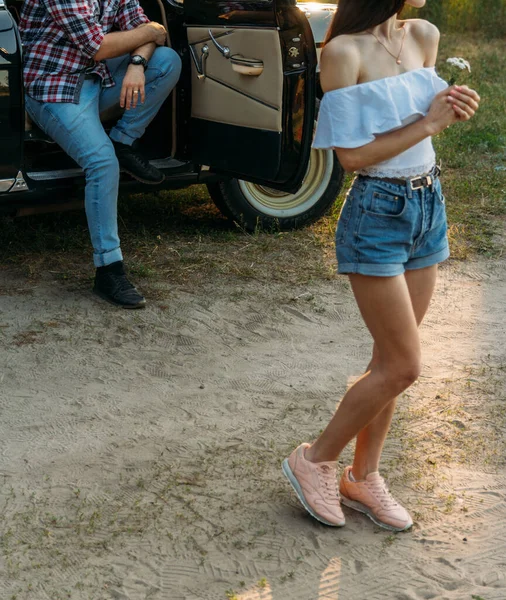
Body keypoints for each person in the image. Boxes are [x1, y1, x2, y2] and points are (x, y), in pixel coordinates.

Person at [282, 0, 480, 531]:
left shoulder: (424, 34)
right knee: (404, 365)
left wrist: (447, 109)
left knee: (388, 362)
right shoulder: (343, 52)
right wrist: (431, 122)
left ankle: (363, 477)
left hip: (427, 205)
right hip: (377, 212)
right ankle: (315, 460)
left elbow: (419, 122)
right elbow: (351, 157)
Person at [19, 0, 182, 308]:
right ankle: (109, 269)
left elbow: (150, 32)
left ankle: (122, 141)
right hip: (53, 86)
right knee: (101, 163)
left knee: (167, 60)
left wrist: (136, 64)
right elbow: (99, 46)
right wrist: (147, 33)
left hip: (96, 76)